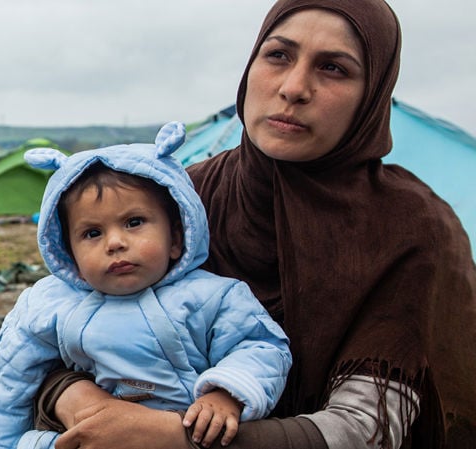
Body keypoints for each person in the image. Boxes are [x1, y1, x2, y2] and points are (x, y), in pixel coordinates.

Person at [27, 1, 476, 449]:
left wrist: (173, 439)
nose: (294, 87)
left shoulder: (411, 229)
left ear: (372, 96)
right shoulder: (184, 200)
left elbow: (363, 429)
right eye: (278, 55)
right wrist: (74, 398)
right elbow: (60, 335)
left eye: (334, 68)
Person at [0, 122, 292, 449]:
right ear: (69, 253)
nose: (115, 242)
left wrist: (227, 394)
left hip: (178, 433)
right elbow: (8, 386)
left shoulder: (213, 296)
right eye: (92, 233)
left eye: (134, 222)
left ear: (177, 239)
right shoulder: (48, 305)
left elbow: (262, 346)